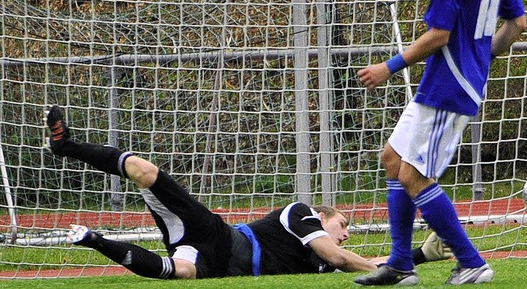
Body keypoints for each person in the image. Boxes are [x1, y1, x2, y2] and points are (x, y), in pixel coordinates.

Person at [354, 0, 527, 286]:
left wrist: (388, 67)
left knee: (414, 176)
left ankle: (471, 261)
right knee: (393, 159)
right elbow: (517, 23)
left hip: (449, 84)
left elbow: (439, 34)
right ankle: (400, 263)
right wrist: (482, 59)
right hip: (454, 80)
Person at [46, 104, 380, 279]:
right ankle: (67, 146)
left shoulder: (323, 263)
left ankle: (95, 241)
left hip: (213, 265)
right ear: (322, 216)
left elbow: (363, 262)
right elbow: (341, 258)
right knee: (145, 172)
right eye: (344, 224)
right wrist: (380, 272)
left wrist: (413, 260)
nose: (347, 234)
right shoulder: (301, 213)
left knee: (181, 272)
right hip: (216, 236)